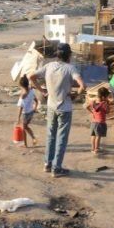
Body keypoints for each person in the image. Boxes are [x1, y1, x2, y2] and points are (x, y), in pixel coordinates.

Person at [29, 43, 85, 177]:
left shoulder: (49, 66)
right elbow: (83, 85)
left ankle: (47, 164)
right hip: (64, 108)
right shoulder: (70, 68)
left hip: (51, 106)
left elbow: (31, 77)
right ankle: (56, 168)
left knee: (51, 135)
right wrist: (75, 94)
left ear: (57, 55)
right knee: (61, 138)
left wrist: (42, 90)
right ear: (69, 55)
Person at [16, 75, 39, 148]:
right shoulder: (31, 90)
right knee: (26, 127)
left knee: (23, 128)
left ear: (21, 86)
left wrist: (18, 118)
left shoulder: (22, 96)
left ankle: (25, 144)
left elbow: (20, 108)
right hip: (31, 112)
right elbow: (36, 100)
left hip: (25, 114)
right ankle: (33, 138)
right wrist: (35, 108)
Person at [85, 87, 110, 154]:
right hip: (100, 122)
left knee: (93, 136)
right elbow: (107, 111)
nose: (108, 98)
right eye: (107, 96)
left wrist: (92, 112)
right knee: (98, 136)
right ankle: (97, 149)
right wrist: (108, 104)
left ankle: (93, 148)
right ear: (103, 97)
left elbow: (86, 107)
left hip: (93, 122)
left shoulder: (93, 101)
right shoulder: (104, 103)